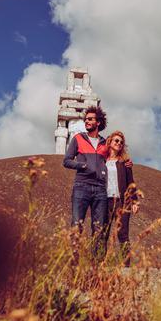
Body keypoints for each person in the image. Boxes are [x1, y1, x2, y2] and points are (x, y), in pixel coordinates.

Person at [63, 106, 109, 260]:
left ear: (98, 122)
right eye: (86, 119)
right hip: (81, 186)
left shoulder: (105, 142)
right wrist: (82, 165)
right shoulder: (78, 138)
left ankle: (96, 266)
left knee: (99, 228)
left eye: (90, 119)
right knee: (77, 225)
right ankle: (73, 266)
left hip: (101, 189)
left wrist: (126, 162)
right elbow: (67, 161)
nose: (87, 121)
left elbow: (114, 160)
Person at [103, 131, 139, 267]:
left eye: (121, 142)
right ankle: (99, 264)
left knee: (122, 235)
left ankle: (125, 267)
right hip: (105, 202)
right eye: (116, 141)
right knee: (103, 234)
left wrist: (135, 201)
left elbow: (131, 183)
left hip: (121, 202)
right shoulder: (102, 161)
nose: (119, 143)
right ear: (110, 142)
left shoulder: (125, 163)